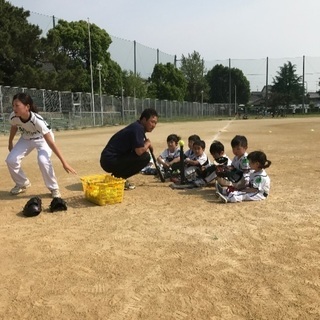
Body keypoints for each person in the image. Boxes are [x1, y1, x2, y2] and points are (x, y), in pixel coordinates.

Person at [6, 93, 77, 198]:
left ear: (27, 107)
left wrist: (64, 163)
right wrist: (10, 142)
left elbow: (51, 142)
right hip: (26, 139)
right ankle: (22, 183)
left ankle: (54, 188)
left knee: (43, 160)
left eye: (17, 105)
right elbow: (14, 127)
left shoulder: (37, 121)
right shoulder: (14, 116)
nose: (14, 108)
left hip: (42, 139)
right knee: (11, 160)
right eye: (13, 105)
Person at [100, 108, 158, 190]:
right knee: (145, 157)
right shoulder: (138, 128)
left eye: (155, 123)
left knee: (142, 155)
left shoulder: (137, 127)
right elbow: (139, 152)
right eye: (152, 122)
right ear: (144, 119)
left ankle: (117, 177)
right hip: (110, 160)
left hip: (109, 159)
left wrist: (146, 144)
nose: (153, 125)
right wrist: (148, 143)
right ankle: (119, 178)